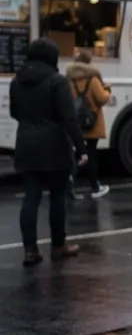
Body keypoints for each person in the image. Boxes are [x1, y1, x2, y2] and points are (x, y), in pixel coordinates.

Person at [10, 38, 88, 266]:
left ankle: (30, 250)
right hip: (54, 145)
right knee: (57, 196)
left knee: (31, 196)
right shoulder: (57, 81)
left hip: (26, 143)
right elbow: (68, 117)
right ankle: (58, 245)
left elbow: (15, 113)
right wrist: (81, 148)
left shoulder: (17, 81)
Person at [66, 49, 112, 199]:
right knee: (91, 154)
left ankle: (71, 176)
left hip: (77, 123)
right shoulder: (93, 79)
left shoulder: (69, 80)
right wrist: (107, 89)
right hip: (92, 123)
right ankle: (95, 187)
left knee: (80, 153)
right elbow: (102, 99)